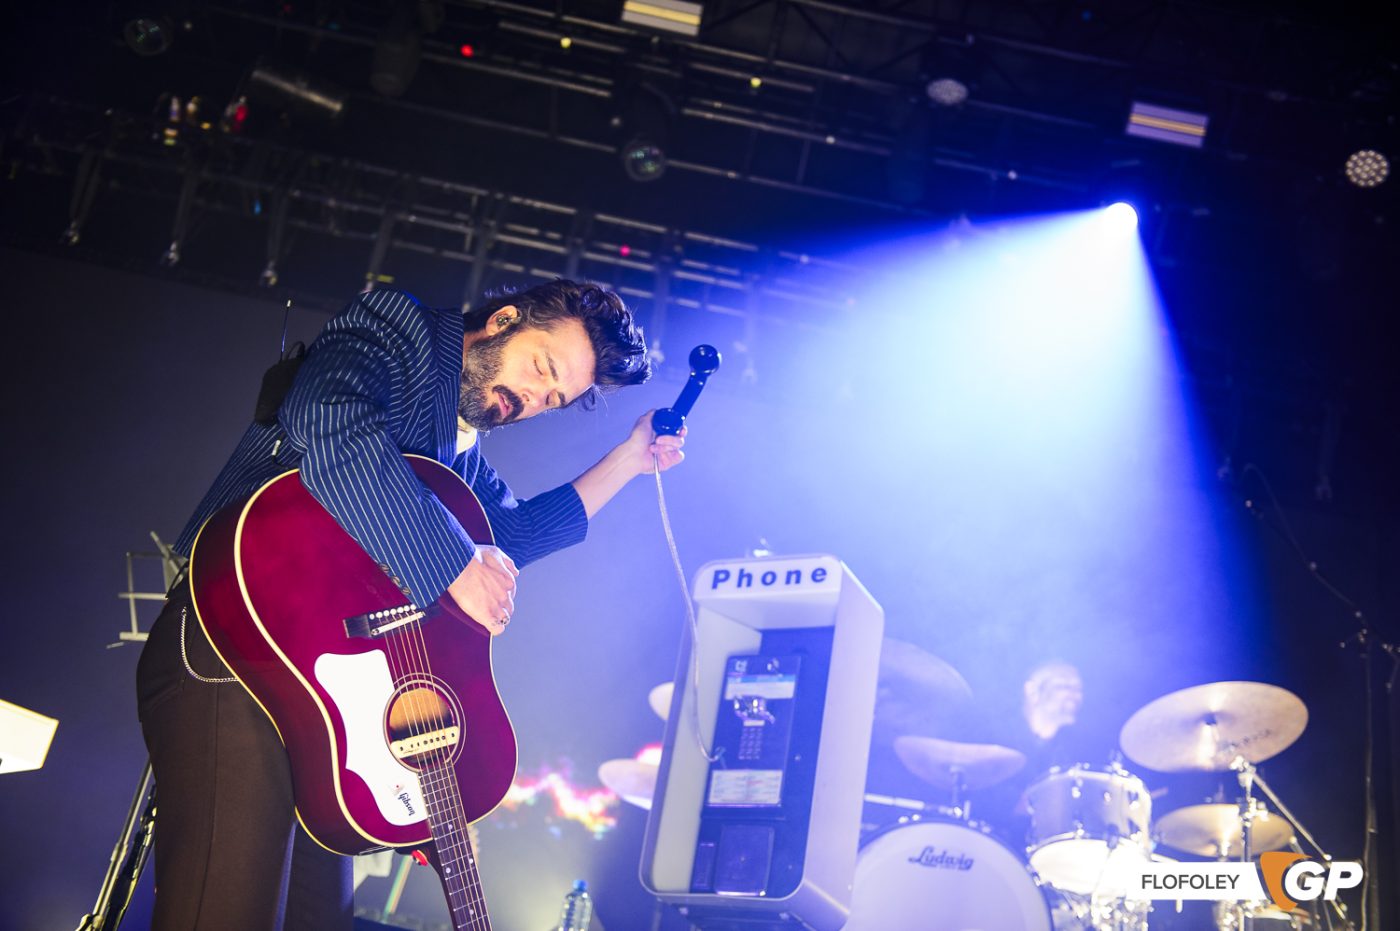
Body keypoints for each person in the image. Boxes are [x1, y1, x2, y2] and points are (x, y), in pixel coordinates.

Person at [135, 280, 685, 930]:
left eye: (554, 399)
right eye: (542, 367)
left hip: (322, 699)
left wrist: (629, 459)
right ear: (503, 320)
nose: (535, 398)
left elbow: (510, 535)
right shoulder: (399, 329)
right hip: (236, 648)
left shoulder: (460, 449)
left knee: (319, 919)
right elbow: (329, 417)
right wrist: (454, 564)